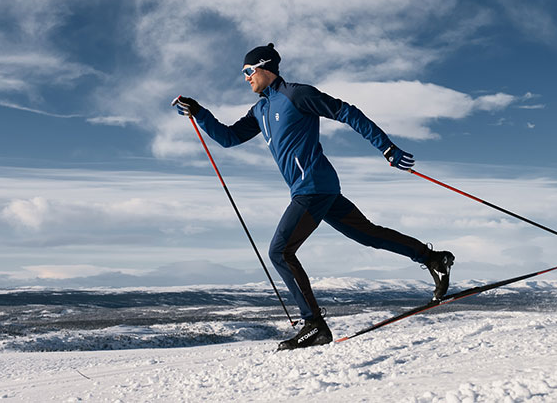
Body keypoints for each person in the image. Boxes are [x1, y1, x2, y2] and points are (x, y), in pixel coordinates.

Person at [173, 42, 454, 350]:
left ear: (265, 67)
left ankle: (314, 325)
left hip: (313, 187)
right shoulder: (261, 109)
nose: (245, 78)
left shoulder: (296, 95)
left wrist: (385, 147)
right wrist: (199, 112)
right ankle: (433, 258)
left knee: (280, 252)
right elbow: (229, 138)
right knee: (368, 234)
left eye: (248, 71)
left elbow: (346, 111)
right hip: (319, 189)